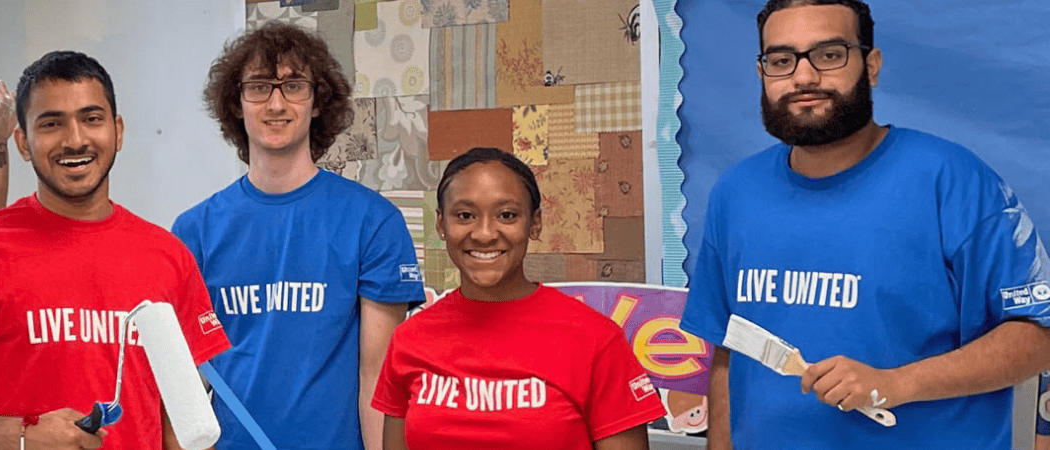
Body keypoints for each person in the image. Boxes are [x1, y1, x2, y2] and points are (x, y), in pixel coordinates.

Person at [679, 1, 1050, 448]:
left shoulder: (955, 182)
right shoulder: (734, 193)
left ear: (870, 65)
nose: (804, 77)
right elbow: (729, 349)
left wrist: (898, 383)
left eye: (829, 55)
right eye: (781, 61)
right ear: (762, 74)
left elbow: (1038, 335)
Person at [0, 50, 232, 450]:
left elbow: (180, 419)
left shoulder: (168, 257)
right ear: (23, 142)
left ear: (118, 131)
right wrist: (22, 436)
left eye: (91, 119)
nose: (75, 140)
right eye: (52, 124)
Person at [171, 22, 424, 450]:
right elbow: (185, 385)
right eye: (258, 87)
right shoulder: (194, 230)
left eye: (293, 85)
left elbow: (377, 381)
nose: (276, 103)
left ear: (318, 100)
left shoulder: (373, 221)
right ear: (236, 103)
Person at [371, 148, 664, 450]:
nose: (484, 234)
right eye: (465, 215)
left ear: (534, 223)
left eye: (507, 215)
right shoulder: (409, 340)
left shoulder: (596, 340)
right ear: (441, 225)